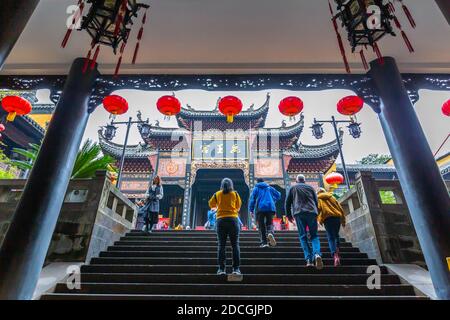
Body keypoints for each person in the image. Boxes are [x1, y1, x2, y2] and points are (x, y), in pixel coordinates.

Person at [285, 174, 323, 269]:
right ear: (304, 181)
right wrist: (317, 214)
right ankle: (317, 254)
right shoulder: (310, 188)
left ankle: (309, 260)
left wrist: (289, 216)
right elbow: (316, 201)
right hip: (311, 213)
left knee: (303, 236)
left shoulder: (293, 188)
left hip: (299, 213)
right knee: (314, 236)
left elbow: (287, 203)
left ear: (297, 181)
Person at [209, 178, 242, 276]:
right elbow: (238, 206)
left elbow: (211, 204)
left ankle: (221, 269)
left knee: (221, 245)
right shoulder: (235, 194)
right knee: (235, 245)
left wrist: (219, 206)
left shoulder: (217, 194)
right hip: (233, 220)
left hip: (221, 220)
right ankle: (236, 269)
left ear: (222, 185)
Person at [317, 188, 346, 267]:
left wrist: (318, 219)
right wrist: (343, 221)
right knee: (336, 235)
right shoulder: (332, 197)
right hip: (337, 217)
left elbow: (318, 209)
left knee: (330, 237)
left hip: (327, 218)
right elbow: (340, 208)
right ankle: (337, 250)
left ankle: (335, 255)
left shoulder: (318, 199)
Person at [249, 178, 281, 248]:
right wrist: (273, 200)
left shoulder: (256, 188)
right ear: (263, 181)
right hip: (270, 207)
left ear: (257, 182)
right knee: (270, 223)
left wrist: (251, 210)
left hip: (260, 208)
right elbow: (278, 195)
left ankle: (264, 242)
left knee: (261, 225)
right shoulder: (269, 187)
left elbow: (252, 199)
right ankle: (270, 233)